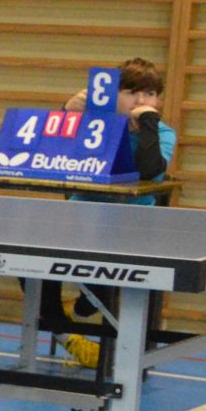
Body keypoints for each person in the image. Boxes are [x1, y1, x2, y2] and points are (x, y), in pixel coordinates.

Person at [47, 56, 176, 366]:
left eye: (149, 94)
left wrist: (146, 124)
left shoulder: (163, 133)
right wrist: (66, 113)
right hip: (79, 220)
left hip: (130, 229)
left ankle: (82, 308)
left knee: (101, 294)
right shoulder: (92, 125)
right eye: (132, 92)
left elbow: (149, 171)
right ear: (111, 95)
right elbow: (49, 154)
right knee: (30, 265)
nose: (141, 101)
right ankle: (66, 336)